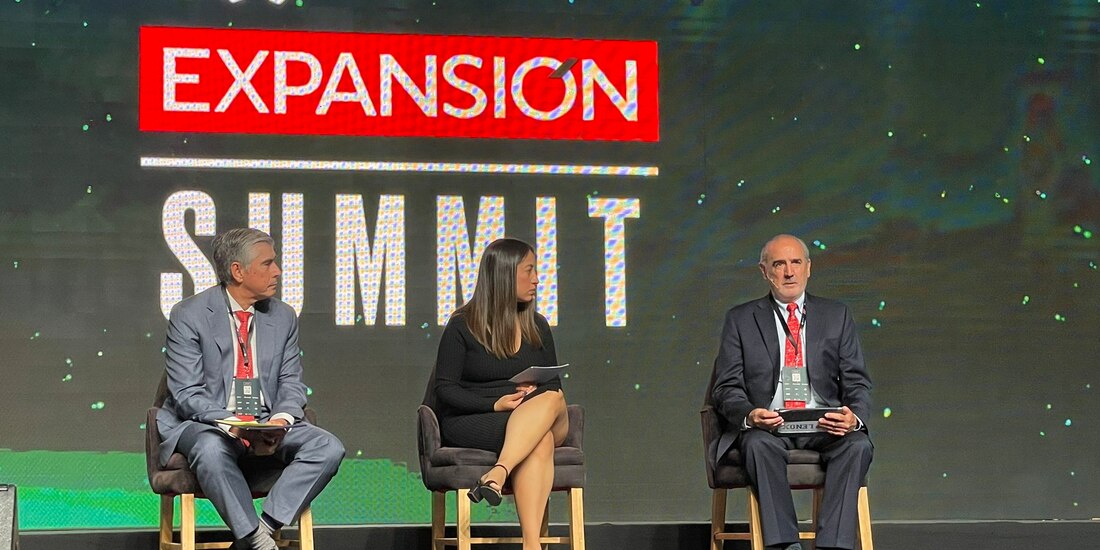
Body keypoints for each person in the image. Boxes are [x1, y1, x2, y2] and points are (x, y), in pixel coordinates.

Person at [156, 228, 345, 550]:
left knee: (328, 447)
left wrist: (283, 418)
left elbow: (290, 381)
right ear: (237, 271)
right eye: (268, 264)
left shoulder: (283, 316)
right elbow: (187, 392)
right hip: (208, 423)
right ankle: (258, 541)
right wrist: (233, 425)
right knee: (211, 449)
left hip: (266, 420)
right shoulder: (189, 314)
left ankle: (258, 533)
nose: (278, 271)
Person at [712, 234, 873, 550]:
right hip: (769, 426)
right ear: (764, 271)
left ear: (808, 268)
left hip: (822, 424)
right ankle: (785, 546)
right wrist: (750, 415)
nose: (789, 272)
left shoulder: (836, 315)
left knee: (858, 445)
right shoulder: (741, 319)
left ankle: (834, 545)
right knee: (758, 445)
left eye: (796, 262)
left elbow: (857, 382)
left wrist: (853, 418)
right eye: (779, 264)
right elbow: (726, 387)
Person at [433, 237, 569, 550]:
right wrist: (494, 403)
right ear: (505, 275)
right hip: (479, 418)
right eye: (529, 270)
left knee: (553, 398)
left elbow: (554, 386)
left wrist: (533, 391)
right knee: (541, 439)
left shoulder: (538, 326)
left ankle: (498, 471)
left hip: (537, 412)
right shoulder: (462, 326)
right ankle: (532, 545)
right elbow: (445, 390)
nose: (537, 279)